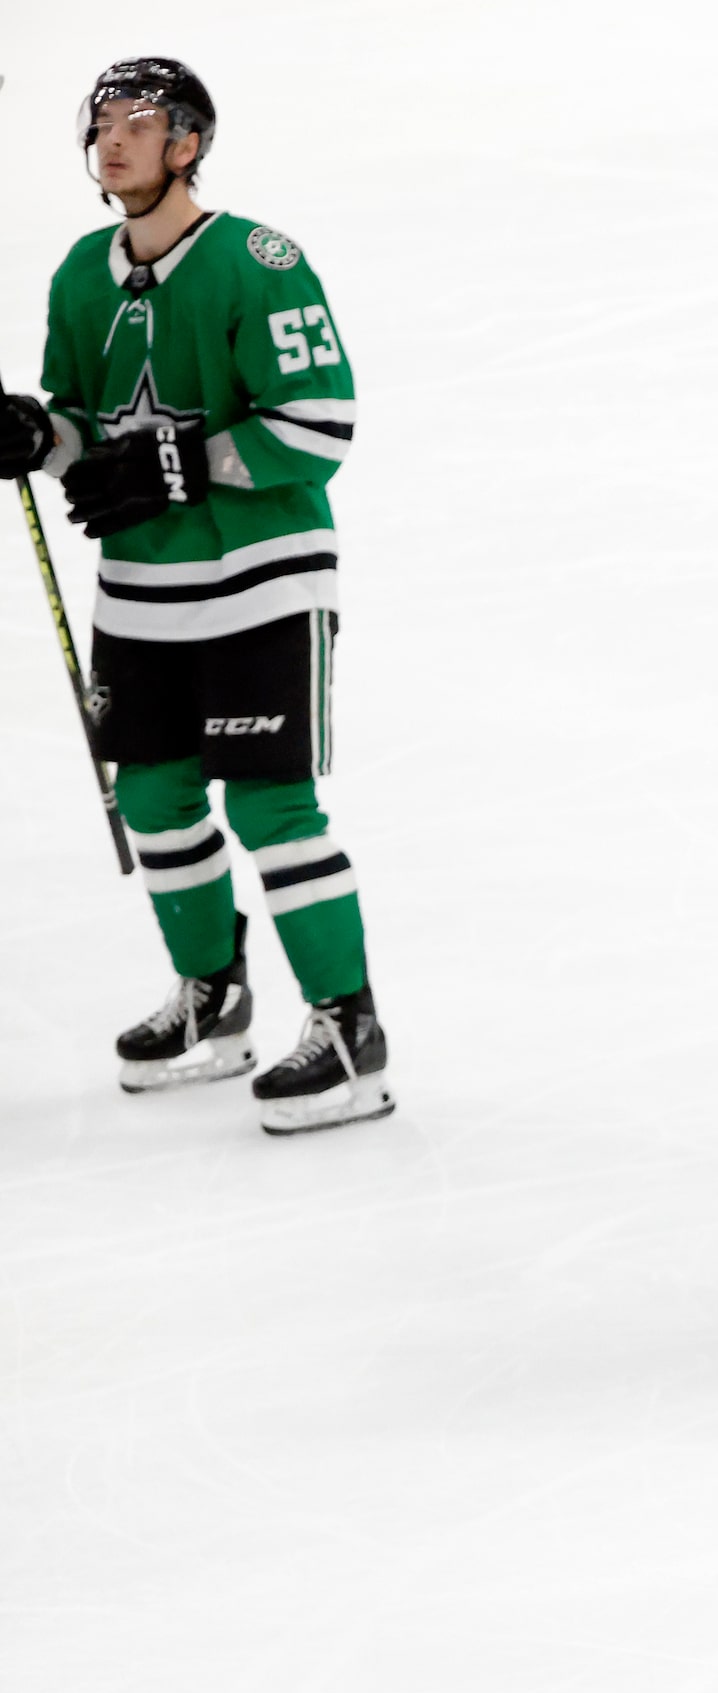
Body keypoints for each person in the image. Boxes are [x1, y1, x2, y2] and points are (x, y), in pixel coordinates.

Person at [0, 58, 389, 1133]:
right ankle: (213, 1006)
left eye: (139, 123)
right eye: (101, 126)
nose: (114, 141)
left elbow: (320, 427)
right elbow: (84, 423)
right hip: (140, 594)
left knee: (270, 807)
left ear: (187, 143)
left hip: (262, 582)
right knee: (162, 804)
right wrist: (41, 434)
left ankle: (350, 1035)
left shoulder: (261, 263)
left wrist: (181, 464)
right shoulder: (83, 273)